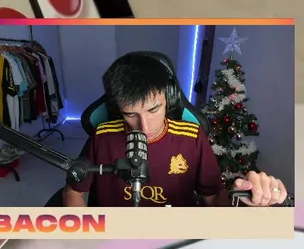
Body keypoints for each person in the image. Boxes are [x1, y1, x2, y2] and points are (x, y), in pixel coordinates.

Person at [63, 53, 287, 207]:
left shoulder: (192, 138)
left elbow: (213, 197)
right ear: (116, 108)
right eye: (130, 114)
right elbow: (74, 190)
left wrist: (245, 200)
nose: (144, 127)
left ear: (169, 99)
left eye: (153, 109)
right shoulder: (102, 135)